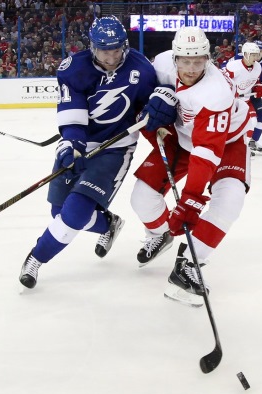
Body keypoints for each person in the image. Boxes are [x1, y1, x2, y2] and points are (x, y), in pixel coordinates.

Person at [19, 16, 161, 289]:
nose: (110, 56)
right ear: (92, 47)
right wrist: (71, 145)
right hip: (82, 143)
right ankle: (108, 224)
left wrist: (155, 107)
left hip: (116, 148)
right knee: (58, 212)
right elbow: (73, 118)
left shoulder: (141, 69)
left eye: (116, 49)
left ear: (125, 45)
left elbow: (150, 104)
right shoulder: (74, 68)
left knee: (75, 213)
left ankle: (35, 259)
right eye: (104, 50)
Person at [130, 26, 255, 307]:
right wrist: (152, 109)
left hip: (228, 143)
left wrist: (191, 199)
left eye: (198, 60)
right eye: (185, 61)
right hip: (183, 138)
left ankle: (188, 264)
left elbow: (208, 152)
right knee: (141, 198)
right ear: (175, 57)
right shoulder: (162, 63)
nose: (190, 68)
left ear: (207, 58)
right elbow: (141, 91)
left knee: (230, 201)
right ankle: (161, 236)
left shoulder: (215, 92)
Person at [224, 41, 262, 157]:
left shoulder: (258, 67)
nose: (256, 57)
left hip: (245, 99)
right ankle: (227, 145)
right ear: (245, 54)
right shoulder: (233, 66)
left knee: (252, 121)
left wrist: (259, 87)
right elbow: (222, 81)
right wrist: (229, 94)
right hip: (231, 101)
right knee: (230, 124)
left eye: (256, 54)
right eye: (253, 55)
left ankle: (246, 145)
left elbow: (255, 81)